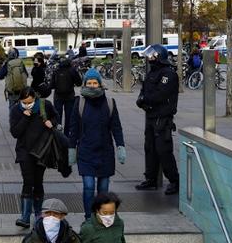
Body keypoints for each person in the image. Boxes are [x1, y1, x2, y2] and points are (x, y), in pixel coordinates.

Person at [67, 68, 125, 220]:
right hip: (86, 152)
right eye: (89, 83)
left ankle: (101, 217)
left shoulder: (109, 103)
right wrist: (71, 149)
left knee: (103, 189)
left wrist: (121, 146)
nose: (92, 86)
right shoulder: (79, 102)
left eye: (95, 83)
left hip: (105, 153)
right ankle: (89, 218)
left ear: (100, 84)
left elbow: (116, 127)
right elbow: (73, 128)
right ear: (84, 84)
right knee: (88, 187)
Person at [9, 87, 59, 229]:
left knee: (38, 182)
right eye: (24, 102)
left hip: (42, 150)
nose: (27, 104)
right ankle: (25, 217)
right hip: (24, 151)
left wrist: (52, 122)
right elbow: (15, 132)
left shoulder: (45, 105)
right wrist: (25, 116)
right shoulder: (16, 110)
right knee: (27, 181)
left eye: (29, 102)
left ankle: (38, 215)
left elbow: (56, 117)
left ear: (34, 98)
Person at [135, 44, 180, 195]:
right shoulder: (152, 73)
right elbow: (144, 92)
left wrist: (145, 99)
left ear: (159, 56)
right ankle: (151, 179)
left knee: (163, 150)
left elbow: (160, 95)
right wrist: (141, 100)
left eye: (151, 56)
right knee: (150, 149)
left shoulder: (168, 74)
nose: (149, 58)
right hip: (151, 116)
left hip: (162, 118)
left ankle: (174, 181)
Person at [52, 57, 81, 144]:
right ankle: (67, 135)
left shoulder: (56, 70)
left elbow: (52, 85)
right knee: (69, 117)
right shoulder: (72, 70)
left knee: (57, 116)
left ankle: (58, 135)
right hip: (70, 97)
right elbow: (79, 82)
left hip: (58, 96)